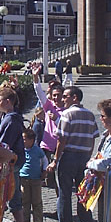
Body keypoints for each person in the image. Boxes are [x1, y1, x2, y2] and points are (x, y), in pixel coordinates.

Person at [47, 85, 99, 222]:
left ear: (74, 97)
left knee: (64, 194)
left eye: (65, 96)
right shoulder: (90, 115)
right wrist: (89, 156)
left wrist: (55, 159)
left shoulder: (67, 115)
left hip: (69, 156)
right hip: (84, 157)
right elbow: (93, 137)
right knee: (83, 193)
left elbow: (61, 139)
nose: (63, 99)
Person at [0, 83, 25, 222]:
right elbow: (0, 129)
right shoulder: (10, 116)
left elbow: (5, 143)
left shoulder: (10, 119)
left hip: (11, 162)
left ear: (7, 102)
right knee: (13, 196)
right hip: (13, 161)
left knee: (10, 197)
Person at [32, 64, 63, 194]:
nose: (56, 98)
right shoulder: (49, 106)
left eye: (59, 95)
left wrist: (56, 118)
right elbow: (39, 93)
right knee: (46, 178)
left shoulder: (67, 111)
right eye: (54, 95)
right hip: (46, 146)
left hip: (59, 148)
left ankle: (60, 207)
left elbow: (65, 127)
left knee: (59, 180)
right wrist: (35, 77)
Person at [20, 128, 48, 222]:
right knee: (24, 200)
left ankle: (38, 221)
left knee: (36, 201)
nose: (23, 141)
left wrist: (44, 172)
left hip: (36, 179)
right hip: (24, 178)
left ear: (31, 140)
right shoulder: (21, 150)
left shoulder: (37, 150)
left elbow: (45, 161)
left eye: (25, 139)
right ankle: (25, 220)